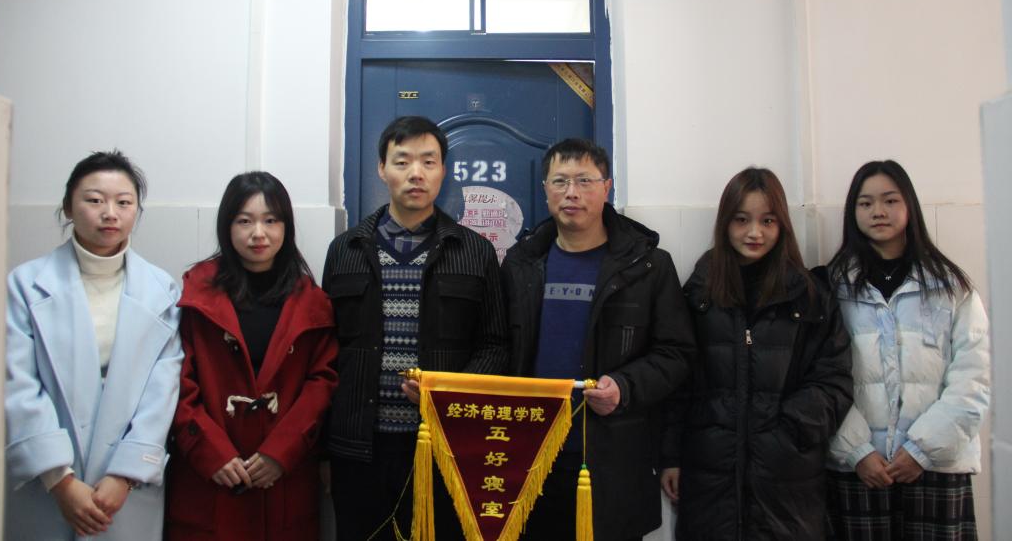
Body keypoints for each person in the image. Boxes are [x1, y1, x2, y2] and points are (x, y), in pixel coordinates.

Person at [321, 115, 508, 540]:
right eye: (402, 161)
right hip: (357, 449)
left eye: (428, 161)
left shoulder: (475, 251)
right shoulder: (346, 250)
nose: (416, 173)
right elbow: (325, 352)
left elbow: (496, 345)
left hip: (444, 447)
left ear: (443, 170)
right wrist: (322, 453)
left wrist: (447, 391)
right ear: (381, 169)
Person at [501, 138, 696, 541]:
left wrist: (624, 387)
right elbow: (500, 350)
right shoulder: (521, 264)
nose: (571, 192)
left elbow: (676, 353)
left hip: (614, 461)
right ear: (545, 190)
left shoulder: (648, 266)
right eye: (560, 181)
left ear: (607, 187)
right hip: (532, 460)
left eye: (585, 180)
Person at [662, 167, 852, 540]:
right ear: (725, 223)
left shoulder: (810, 296)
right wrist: (671, 456)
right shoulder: (699, 293)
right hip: (709, 473)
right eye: (741, 220)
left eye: (767, 221)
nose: (754, 232)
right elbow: (678, 381)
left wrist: (788, 430)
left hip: (787, 478)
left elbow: (835, 380)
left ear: (782, 225)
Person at [4, 150, 183, 540]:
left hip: (125, 490)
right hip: (46, 486)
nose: (110, 213)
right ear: (69, 206)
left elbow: (163, 389)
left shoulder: (162, 290)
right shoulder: (25, 285)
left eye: (124, 202)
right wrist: (60, 480)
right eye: (95, 200)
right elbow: (17, 383)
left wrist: (125, 474)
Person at [166, 172, 338, 541]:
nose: (258, 233)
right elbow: (175, 381)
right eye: (245, 221)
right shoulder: (195, 297)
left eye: (271, 220)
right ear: (227, 226)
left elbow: (322, 383)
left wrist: (281, 451)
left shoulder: (311, 302)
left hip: (283, 478)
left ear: (286, 227)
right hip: (209, 477)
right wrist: (211, 452)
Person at [825, 160, 990, 540]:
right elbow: (821, 380)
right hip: (859, 468)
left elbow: (975, 378)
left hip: (937, 465)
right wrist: (856, 450)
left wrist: (922, 450)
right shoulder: (831, 287)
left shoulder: (951, 287)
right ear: (853, 213)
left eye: (890, 200)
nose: (878, 211)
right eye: (865, 203)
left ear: (909, 206)